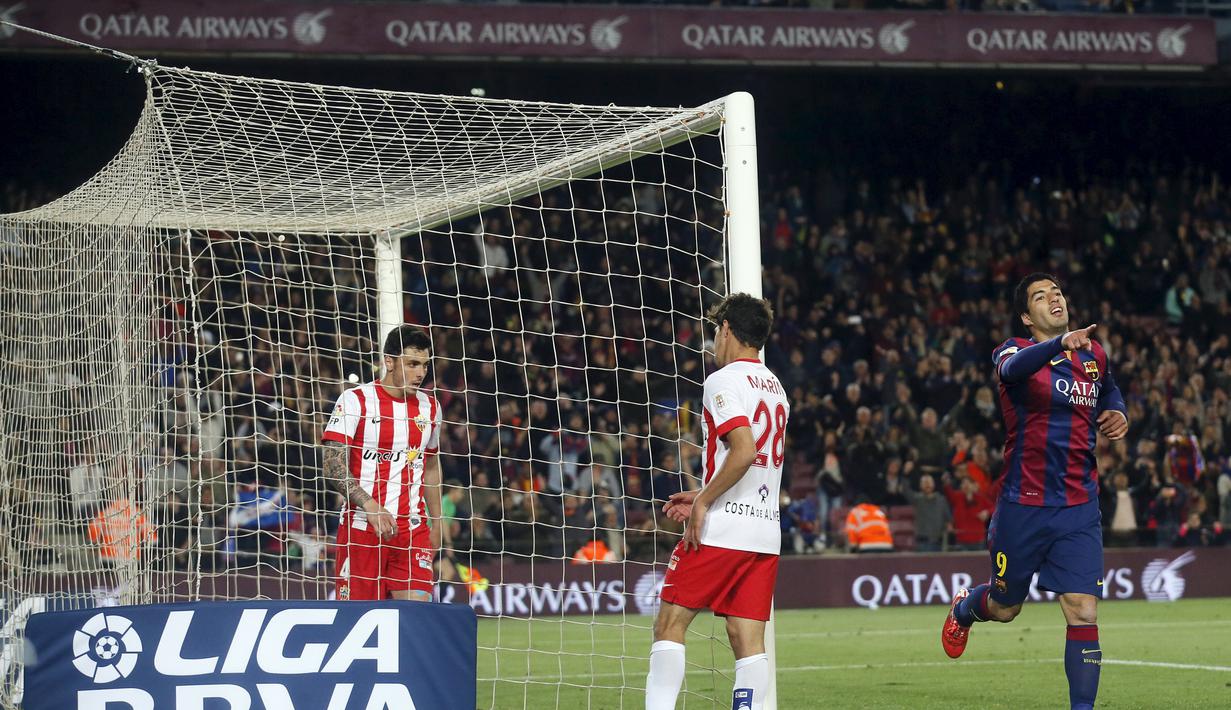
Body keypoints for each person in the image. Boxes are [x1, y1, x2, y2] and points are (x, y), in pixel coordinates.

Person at [941, 273, 1128, 710]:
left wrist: (1117, 411)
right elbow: (1010, 371)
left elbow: (1109, 388)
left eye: (1058, 292)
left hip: (1079, 505)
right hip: (1023, 504)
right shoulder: (1015, 351)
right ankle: (967, 608)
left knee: (1082, 610)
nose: (1054, 299)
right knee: (1006, 607)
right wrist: (1059, 345)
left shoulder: (1093, 354)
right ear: (1028, 316)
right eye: (1040, 297)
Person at [646, 293, 788, 710]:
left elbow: (743, 451)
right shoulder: (776, 387)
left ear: (726, 329)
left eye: (714, 330)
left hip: (723, 528)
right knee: (748, 641)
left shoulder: (722, 381)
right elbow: (756, 462)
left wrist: (704, 502)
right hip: (764, 530)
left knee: (670, 623)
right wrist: (704, 490)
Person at [321, 325, 443, 601]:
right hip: (362, 529)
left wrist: (437, 522)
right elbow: (332, 466)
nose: (420, 373)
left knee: (414, 623)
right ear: (389, 361)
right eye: (412, 364)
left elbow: (431, 465)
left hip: (412, 531)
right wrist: (370, 505)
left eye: (424, 365)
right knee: (359, 625)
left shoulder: (431, 407)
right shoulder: (355, 401)